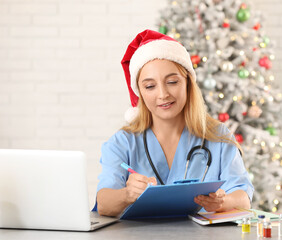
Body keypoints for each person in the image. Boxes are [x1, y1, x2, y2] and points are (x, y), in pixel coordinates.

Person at [94, 29, 254, 217]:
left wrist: (222, 201)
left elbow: (243, 196)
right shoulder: (122, 143)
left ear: (187, 83)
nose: (163, 95)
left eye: (172, 82)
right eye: (150, 86)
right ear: (140, 93)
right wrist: (127, 194)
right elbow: (103, 203)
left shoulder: (218, 136)